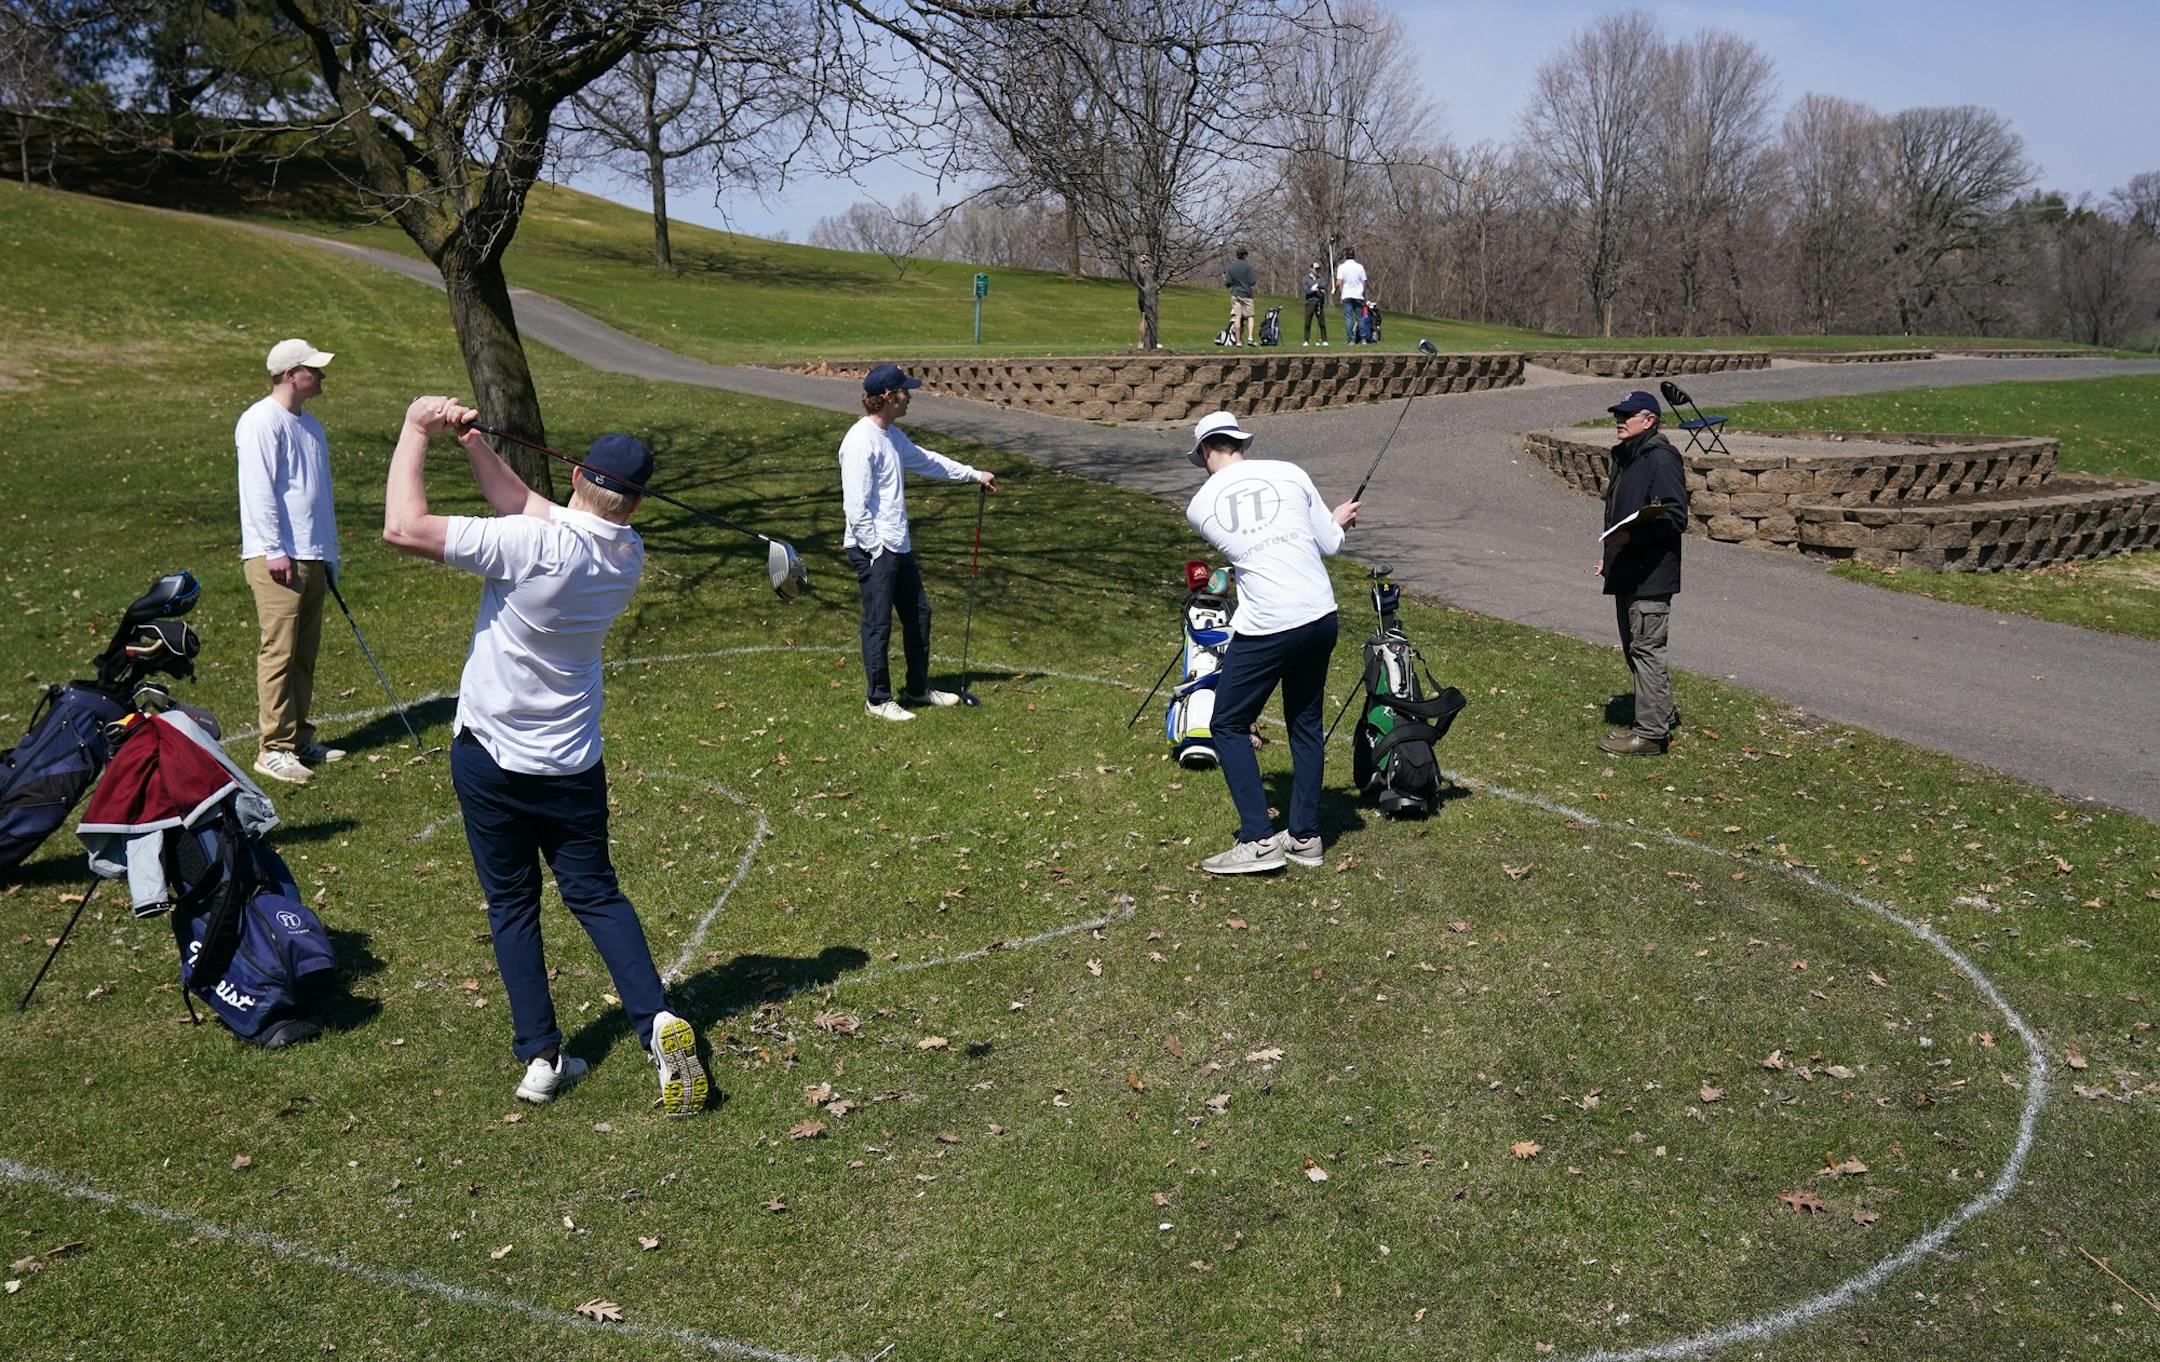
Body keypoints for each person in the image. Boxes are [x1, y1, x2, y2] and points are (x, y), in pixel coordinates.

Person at [381, 396, 707, 1114]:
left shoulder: (531, 547)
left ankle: (541, 1057)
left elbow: (402, 528)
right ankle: (657, 1022)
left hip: (491, 759)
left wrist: (415, 430)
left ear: (582, 476)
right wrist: (471, 444)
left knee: (512, 905)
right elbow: (528, 501)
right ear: (635, 501)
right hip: (572, 765)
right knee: (595, 894)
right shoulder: (626, 551)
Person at [1183, 411, 1359, 875]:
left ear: (1205, 451)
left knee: (1227, 723)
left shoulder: (1199, 507)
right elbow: (1329, 542)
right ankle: (1305, 836)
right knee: (1305, 723)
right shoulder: (1291, 472)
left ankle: (1259, 839)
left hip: (1268, 624)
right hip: (1320, 614)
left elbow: (1249, 547)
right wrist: (1337, 521)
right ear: (1242, 442)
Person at [841, 364, 998, 721]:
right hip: (874, 549)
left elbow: (928, 462)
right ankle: (878, 699)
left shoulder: (893, 436)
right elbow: (855, 507)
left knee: (918, 616)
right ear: (887, 397)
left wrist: (974, 474)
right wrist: (876, 550)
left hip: (898, 547)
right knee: (879, 624)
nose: (909, 395)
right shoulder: (860, 441)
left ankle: (916, 688)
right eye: (904, 391)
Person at [236, 338, 347, 785]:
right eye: (313, 370)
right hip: (277, 556)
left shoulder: (311, 426)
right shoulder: (261, 421)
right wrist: (274, 548)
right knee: (279, 652)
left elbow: (318, 500)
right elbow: (259, 490)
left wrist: (329, 556)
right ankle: (273, 749)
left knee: (304, 654)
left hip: (311, 555)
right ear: (290, 374)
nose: (321, 377)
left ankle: (298, 737)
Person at [1597, 390, 1690, 757]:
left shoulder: (1660, 459)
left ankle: (1650, 735)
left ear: (1649, 420)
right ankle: (1658, 719)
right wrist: (1610, 554)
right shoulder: (1628, 457)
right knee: (1636, 650)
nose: (1620, 420)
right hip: (1628, 569)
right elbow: (1619, 514)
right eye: (1618, 414)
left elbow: (1674, 517)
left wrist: (1630, 537)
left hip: (1651, 575)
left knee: (1647, 650)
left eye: (1628, 414)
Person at [1222, 247, 1259, 346]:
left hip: (1235, 294)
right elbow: (1252, 282)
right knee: (1250, 316)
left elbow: (1228, 283)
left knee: (1237, 317)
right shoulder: (1249, 267)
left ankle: (1238, 341)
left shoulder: (1230, 267)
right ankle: (1250, 338)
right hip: (1246, 294)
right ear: (1245, 255)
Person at [1334, 249, 1368, 344]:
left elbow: (1339, 282)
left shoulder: (1342, 267)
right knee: (1360, 317)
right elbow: (1364, 281)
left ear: (1346, 256)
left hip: (1347, 295)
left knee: (1349, 317)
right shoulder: (1359, 267)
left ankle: (1351, 339)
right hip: (1358, 295)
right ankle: (1362, 338)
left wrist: (1335, 286)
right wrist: (1362, 291)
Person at [1301, 261, 1330, 346]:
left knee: (1322, 322)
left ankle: (1324, 339)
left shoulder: (1320, 278)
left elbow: (1323, 286)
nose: (1317, 270)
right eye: (1315, 269)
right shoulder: (1306, 279)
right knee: (1307, 322)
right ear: (1311, 269)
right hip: (1310, 303)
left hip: (1319, 303)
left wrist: (1318, 288)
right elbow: (1306, 290)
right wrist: (1313, 289)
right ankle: (1306, 340)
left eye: (1318, 269)